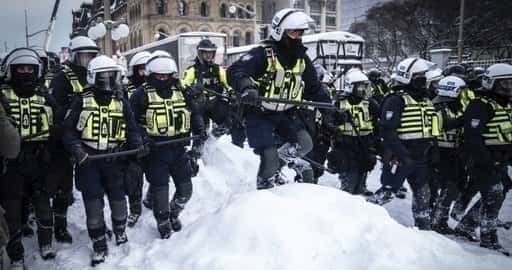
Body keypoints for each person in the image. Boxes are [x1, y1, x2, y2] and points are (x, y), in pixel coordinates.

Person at [227, 8, 334, 189]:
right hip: (260, 113)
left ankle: (277, 168)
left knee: (305, 144)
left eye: (300, 33)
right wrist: (246, 87)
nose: (298, 37)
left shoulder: (301, 58)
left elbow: (314, 88)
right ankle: (264, 188)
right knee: (269, 156)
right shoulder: (262, 53)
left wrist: (330, 111)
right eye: (294, 32)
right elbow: (235, 71)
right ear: (280, 32)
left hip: (286, 113)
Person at [62, 55, 143, 266]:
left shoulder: (121, 101)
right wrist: (77, 149)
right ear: (93, 77)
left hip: (115, 159)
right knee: (93, 205)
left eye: (112, 75)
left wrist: (136, 145)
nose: (108, 80)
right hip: (89, 160)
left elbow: (132, 128)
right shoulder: (81, 100)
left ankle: (120, 231)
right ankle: (98, 242)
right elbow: (68, 130)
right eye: (103, 76)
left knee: (118, 201)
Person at [130, 54, 206, 239]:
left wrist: (200, 131)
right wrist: (143, 139)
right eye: (159, 76)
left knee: (186, 189)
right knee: (160, 191)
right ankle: (163, 220)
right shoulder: (141, 94)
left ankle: (174, 212)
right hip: (155, 151)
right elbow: (131, 122)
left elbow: (194, 113)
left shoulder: (182, 91)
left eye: (167, 75)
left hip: (179, 149)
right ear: (151, 74)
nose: (164, 79)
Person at [0, 47, 57, 268]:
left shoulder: (44, 95)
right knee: (12, 210)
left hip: (38, 156)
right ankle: (16, 255)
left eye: (29, 69)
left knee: (44, 204)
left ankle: (46, 242)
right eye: (20, 69)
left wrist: (53, 142)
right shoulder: (3, 95)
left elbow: (58, 120)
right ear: (10, 70)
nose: (25, 73)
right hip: (10, 161)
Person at [368, 57, 440, 231]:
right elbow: (387, 131)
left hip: (422, 156)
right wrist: (402, 154)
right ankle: (363, 219)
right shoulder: (396, 100)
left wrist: (434, 149)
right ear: (407, 77)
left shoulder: (426, 100)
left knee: (424, 194)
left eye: (424, 76)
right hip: (400, 156)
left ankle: (425, 230)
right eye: (419, 76)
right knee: (387, 192)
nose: (424, 80)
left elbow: (432, 128)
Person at [455, 63, 512, 255]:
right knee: (494, 193)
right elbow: (473, 138)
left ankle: (467, 224)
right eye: (504, 83)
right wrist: (488, 161)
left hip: (500, 159)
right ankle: (489, 239)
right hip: (483, 160)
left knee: (500, 190)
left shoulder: (504, 103)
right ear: (491, 83)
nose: (509, 87)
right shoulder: (480, 105)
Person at [49, 36, 101, 244]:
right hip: (64, 137)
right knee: (63, 185)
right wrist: (74, 108)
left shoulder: (97, 74)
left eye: (91, 56)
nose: (88, 60)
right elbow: (53, 108)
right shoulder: (62, 77)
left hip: (91, 137)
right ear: (74, 56)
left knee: (94, 183)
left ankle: (97, 223)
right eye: (84, 56)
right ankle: (59, 225)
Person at [327, 68, 378, 195]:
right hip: (345, 142)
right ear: (351, 87)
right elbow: (327, 121)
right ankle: (346, 195)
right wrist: (337, 121)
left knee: (364, 168)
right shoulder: (339, 102)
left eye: (364, 87)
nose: (363, 90)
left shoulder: (369, 103)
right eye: (360, 87)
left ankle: (361, 188)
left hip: (365, 141)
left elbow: (378, 121)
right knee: (349, 176)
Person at [430, 76, 467, 235]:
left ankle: (440, 218)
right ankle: (437, 220)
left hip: (455, 152)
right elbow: (442, 126)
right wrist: (464, 120)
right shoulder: (438, 107)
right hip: (440, 152)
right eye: (460, 91)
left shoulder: (456, 107)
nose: (463, 95)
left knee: (455, 187)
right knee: (447, 187)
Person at [182, 38, 233, 138]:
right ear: (200, 53)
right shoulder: (192, 70)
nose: (208, 55)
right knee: (200, 134)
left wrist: (232, 92)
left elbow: (228, 84)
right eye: (205, 52)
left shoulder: (219, 69)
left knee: (229, 122)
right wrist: (191, 90)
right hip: (199, 107)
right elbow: (184, 86)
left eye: (211, 52)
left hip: (216, 104)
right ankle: (198, 150)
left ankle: (213, 139)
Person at [124, 50, 151, 227]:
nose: (144, 73)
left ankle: (151, 198)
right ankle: (135, 209)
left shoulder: (158, 88)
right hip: (134, 137)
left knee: (157, 171)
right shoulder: (125, 90)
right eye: (141, 70)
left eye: (147, 69)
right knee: (134, 175)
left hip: (155, 135)